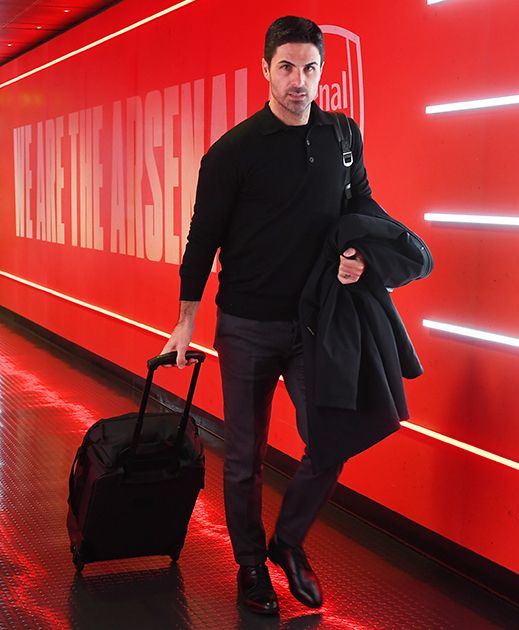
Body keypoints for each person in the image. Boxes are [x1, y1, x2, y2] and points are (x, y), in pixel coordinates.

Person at [162, 16, 372, 616]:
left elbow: (360, 204)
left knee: (330, 438)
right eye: (286, 68)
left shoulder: (342, 137)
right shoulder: (232, 153)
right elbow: (201, 241)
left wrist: (356, 250)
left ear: (321, 71)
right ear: (264, 70)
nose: (298, 81)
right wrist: (186, 321)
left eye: (309, 68)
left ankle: (288, 542)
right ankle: (251, 568)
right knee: (247, 455)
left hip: (313, 325)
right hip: (248, 324)